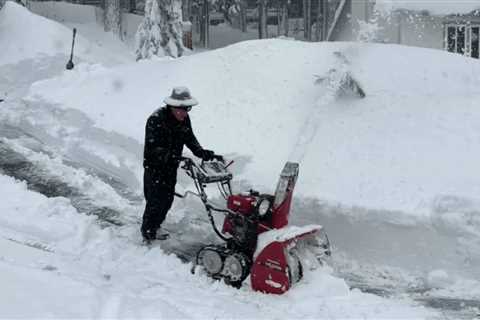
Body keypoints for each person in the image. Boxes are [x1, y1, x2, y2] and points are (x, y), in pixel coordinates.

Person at [141, 87, 218, 242]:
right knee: (155, 201)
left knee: (167, 199)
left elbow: (189, 138)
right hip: (155, 168)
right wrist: (173, 155)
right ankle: (148, 232)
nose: (185, 113)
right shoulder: (156, 119)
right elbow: (153, 149)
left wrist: (202, 153)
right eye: (182, 109)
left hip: (170, 167)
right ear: (172, 107)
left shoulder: (184, 119)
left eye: (188, 109)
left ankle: (156, 225)